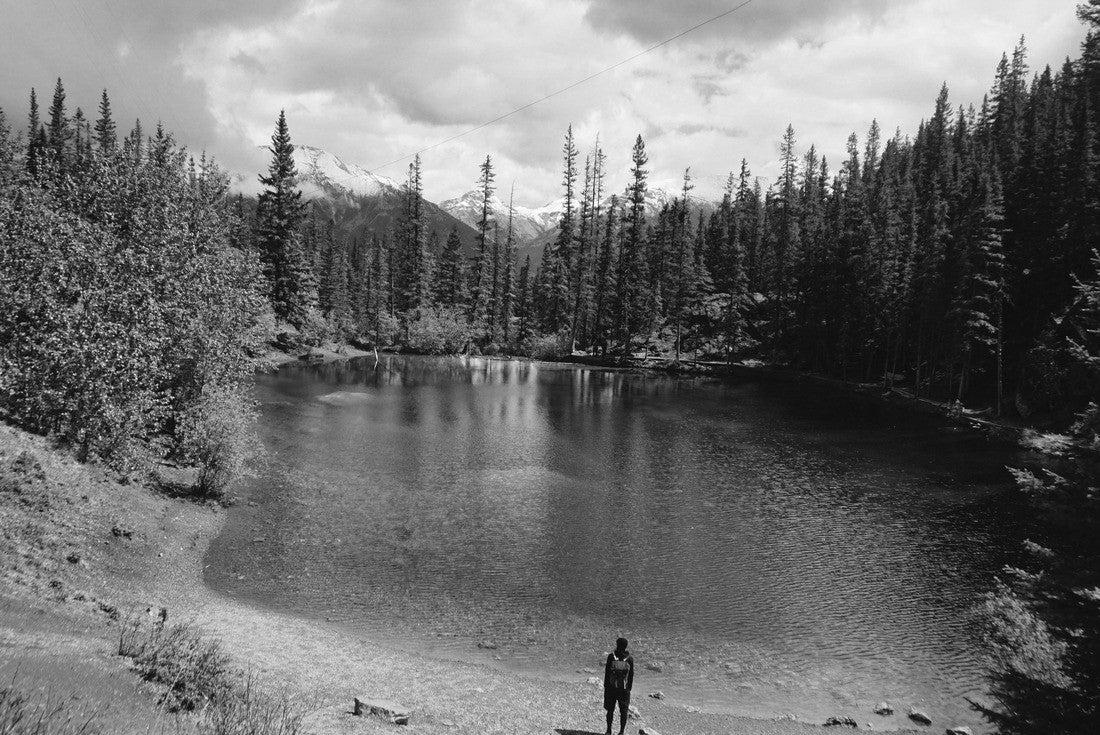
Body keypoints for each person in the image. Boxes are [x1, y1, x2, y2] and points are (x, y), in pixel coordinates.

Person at [603, 637, 634, 735]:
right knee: (623, 712)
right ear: (626, 646)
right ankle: (621, 732)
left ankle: (608, 731)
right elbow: (631, 676)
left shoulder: (611, 657)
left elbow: (607, 673)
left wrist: (606, 687)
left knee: (610, 710)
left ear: (617, 645)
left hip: (612, 688)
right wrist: (629, 689)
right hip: (624, 690)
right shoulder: (630, 659)